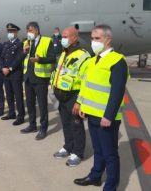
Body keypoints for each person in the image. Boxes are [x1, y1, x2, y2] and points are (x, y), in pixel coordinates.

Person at [73, 25, 129, 190]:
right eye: (92, 38)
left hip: (107, 118)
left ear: (108, 39)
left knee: (110, 154)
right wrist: (82, 104)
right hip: (91, 114)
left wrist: (109, 116)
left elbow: (117, 92)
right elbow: (86, 85)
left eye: (97, 38)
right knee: (98, 150)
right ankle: (95, 176)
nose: (93, 42)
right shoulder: (92, 60)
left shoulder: (117, 61)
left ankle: (111, 186)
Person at [51, 27, 90, 167]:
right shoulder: (64, 53)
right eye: (62, 36)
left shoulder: (83, 55)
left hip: (74, 96)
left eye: (66, 36)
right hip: (62, 96)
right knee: (66, 123)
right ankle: (68, 147)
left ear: (75, 38)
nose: (63, 39)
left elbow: (86, 81)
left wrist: (79, 102)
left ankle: (78, 152)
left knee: (76, 125)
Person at [21, 22, 56, 140]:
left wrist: (40, 60)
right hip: (28, 78)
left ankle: (43, 128)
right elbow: (22, 58)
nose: (28, 33)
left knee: (42, 105)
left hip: (40, 79)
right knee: (30, 104)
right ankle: (32, 125)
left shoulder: (47, 41)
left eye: (30, 30)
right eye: (27, 31)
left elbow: (52, 58)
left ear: (37, 30)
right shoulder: (26, 42)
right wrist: (24, 52)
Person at [0, 23, 25, 125]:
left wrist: (9, 68)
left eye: (12, 31)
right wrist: (2, 68)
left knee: (18, 96)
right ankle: (11, 112)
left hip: (15, 74)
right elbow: (1, 58)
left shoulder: (20, 44)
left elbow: (19, 59)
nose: (10, 33)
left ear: (16, 32)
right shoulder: (5, 44)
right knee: (9, 95)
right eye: (8, 31)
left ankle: (21, 116)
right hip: (6, 74)